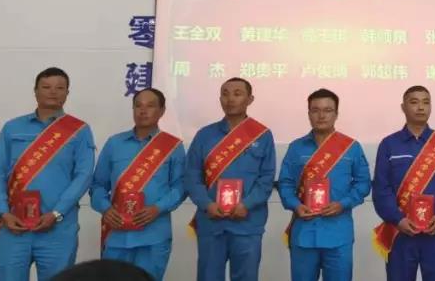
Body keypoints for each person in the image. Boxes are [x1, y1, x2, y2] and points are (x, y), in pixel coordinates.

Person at [0, 67, 96, 281]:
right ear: (35, 91)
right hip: (13, 225)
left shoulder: (79, 130)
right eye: (46, 87)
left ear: (67, 93)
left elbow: (83, 176)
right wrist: (2, 213)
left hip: (58, 227)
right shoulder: (12, 127)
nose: (53, 92)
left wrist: (57, 213)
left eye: (60, 88)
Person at [90, 88, 186, 280]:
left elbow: (181, 187)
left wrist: (158, 208)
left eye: (150, 106)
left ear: (162, 110)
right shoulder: (114, 143)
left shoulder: (172, 146)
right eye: (138, 106)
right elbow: (98, 185)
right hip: (116, 234)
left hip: (153, 235)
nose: (143, 111)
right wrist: (106, 209)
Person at [185, 77, 275, 281]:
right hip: (211, 220)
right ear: (219, 99)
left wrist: (246, 204)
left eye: (237, 94)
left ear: (250, 99)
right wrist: (207, 204)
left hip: (247, 221)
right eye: (225, 94)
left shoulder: (261, 135)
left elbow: (267, 178)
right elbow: (192, 175)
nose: (230, 99)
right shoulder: (204, 135)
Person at [278, 88, 371, 281]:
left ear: (336, 114)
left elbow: (363, 184)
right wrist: (296, 205)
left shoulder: (351, 147)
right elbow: (285, 183)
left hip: (338, 234)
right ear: (309, 113)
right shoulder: (296, 147)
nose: (321, 116)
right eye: (315, 110)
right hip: (303, 233)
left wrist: (343, 204)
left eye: (328, 110)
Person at [371, 85, 435, 281]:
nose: (421, 107)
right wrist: (397, 219)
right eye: (414, 102)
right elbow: (381, 188)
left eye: (426, 102)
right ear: (403, 107)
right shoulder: (389, 144)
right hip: (400, 232)